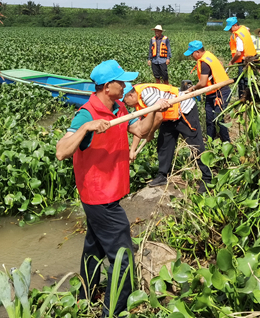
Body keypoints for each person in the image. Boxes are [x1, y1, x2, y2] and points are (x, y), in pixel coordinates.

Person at [55, 60, 163, 317]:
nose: (126, 86)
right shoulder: (86, 113)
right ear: (107, 87)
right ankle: (113, 311)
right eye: (121, 82)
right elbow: (61, 151)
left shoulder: (119, 108)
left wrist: (154, 111)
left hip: (111, 190)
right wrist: (86, 128)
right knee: (123, 257)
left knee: (94, 248)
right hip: (98, 196)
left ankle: (84, 296)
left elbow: (140, 130)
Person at [122, 82, 212, 190]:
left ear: (130, 95)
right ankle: (162, 175)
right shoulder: (137, 103)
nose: (125, 104)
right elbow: (139, 128)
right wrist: (132, 150)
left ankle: (207, 178)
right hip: (168, 117)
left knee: (195, 145)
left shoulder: (146, 95)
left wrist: (150, 133)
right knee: (164, 145)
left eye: (124, 101)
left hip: (184, 110)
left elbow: (158, 117)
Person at [184, 40, 232, 141]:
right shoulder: (209, 55)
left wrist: (192, 89)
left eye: (192, 54)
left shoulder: (204, 63)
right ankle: (210, 141)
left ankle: (226, 142)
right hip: (212, 92)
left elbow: (202, 83)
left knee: (218, 118)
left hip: (221, 92)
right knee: (209, 119)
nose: (192, 57)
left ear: (197, 52)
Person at [224, 16, 257, 97]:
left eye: (230, 28)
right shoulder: (244, 29)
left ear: (235, 25)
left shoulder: (238, 35)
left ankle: (243, 97)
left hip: (244, 61)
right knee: (250, 79)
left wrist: (232, 61)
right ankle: (251, 96)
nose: (230, 30)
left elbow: (239, 53)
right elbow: (247, 28)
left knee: (243, 81)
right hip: (252, 58)